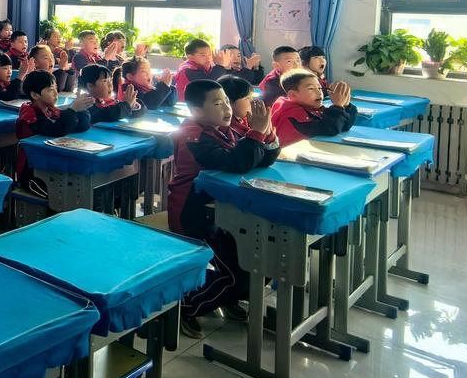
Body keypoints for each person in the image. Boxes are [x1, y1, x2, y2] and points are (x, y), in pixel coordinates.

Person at [166, 78, 279, 337]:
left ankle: (225, 296)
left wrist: (266, 131)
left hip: (225, 212)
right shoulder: (193, 136)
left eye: (227, 101)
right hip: (194, 215)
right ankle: (185, 306)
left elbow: (262, 158)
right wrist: (256, 134)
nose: (227, 108)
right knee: (238, 276)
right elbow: (238, 162)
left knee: (258, 264)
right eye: (218, 104)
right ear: (196, 110)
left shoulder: (227, 130)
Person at [13, 69, 96, 193]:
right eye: (50, 89)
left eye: (56, 88)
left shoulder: (51, 110)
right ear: (35, 95)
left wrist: (81, 109)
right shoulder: (29, 114)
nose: (56, 93)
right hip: (32, 173)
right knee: (63, 194)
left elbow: (80, 126)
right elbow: (57, 129)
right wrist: (73, 110)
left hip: (51, 164)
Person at [269, 72, 356, 147]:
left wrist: (345, 105)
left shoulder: (311, 107)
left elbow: (343, 126)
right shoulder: (292, 114)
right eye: (311, 89)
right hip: (287, 157)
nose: (319, 93)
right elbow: (329, 129)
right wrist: (338, 106)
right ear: (293, 95)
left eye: (319, 88)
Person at [79, 63, 144, 124]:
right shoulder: (84, 104)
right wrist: (127, 105)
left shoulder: (111, 101)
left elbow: (125, 112)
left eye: (110, 80)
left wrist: (134, 105)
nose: (110, 84)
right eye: (105, 81)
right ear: (90, 85)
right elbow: (106, 114)